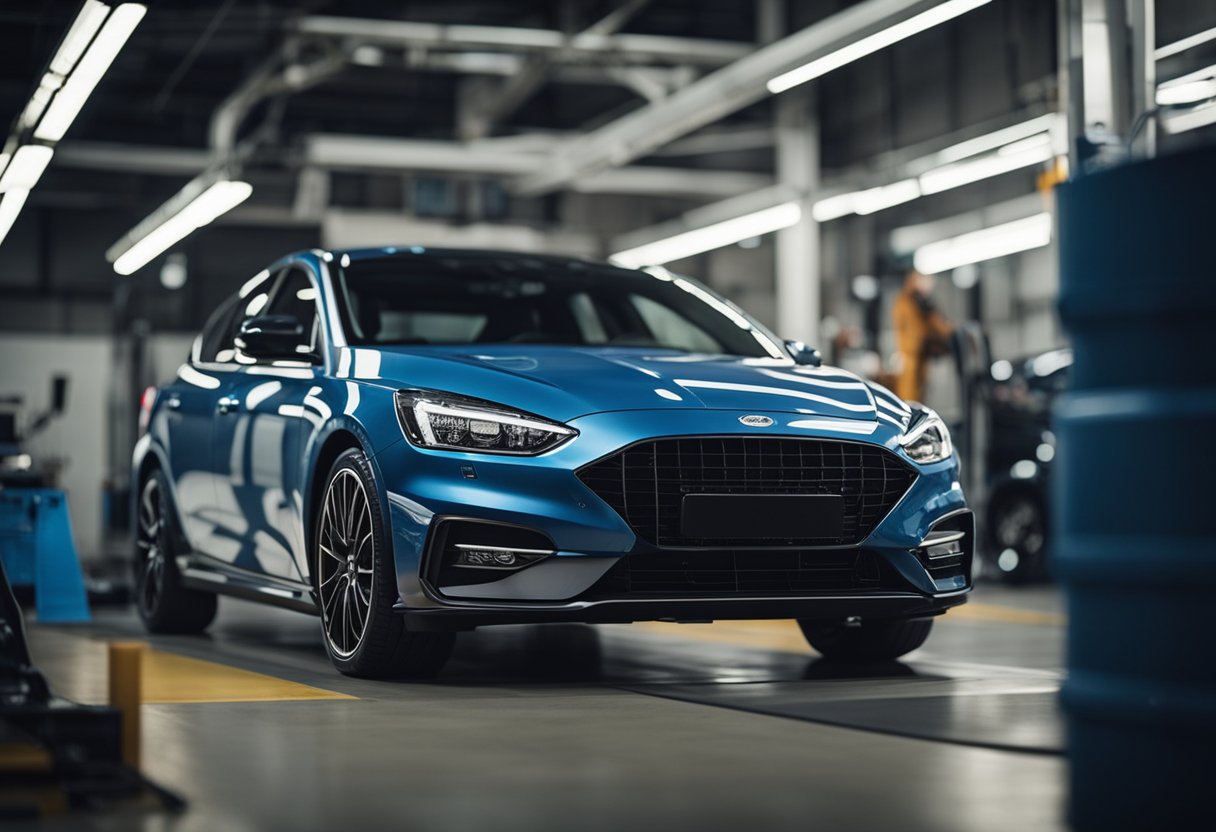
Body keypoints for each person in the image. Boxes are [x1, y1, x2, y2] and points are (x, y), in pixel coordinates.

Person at [892, 269, 954, 403]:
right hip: (912, 354)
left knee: (919, 393)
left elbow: (937, 323)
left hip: (920, 355)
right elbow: (919, 330)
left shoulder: (921, 302)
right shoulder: (907, 302)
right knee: (909, 396)